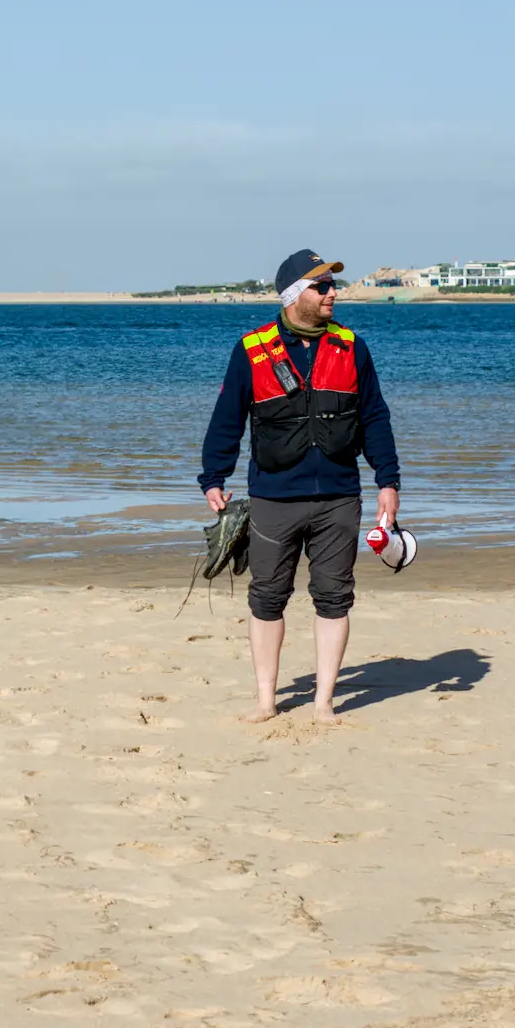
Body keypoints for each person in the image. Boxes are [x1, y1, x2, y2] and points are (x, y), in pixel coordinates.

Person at [199, 249, 402, 724]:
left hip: (339, 496)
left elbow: (375, 417)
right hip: (273, 496)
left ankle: (324, 702)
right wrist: (213, 476)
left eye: (332, 285)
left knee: (334, 598)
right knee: (267, 597)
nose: (333, 293)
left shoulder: (353, 346)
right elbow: (228, 417)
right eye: (322, 286)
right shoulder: (252, 348)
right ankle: (266, 701)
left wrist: (388, 481)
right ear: (295, 294)